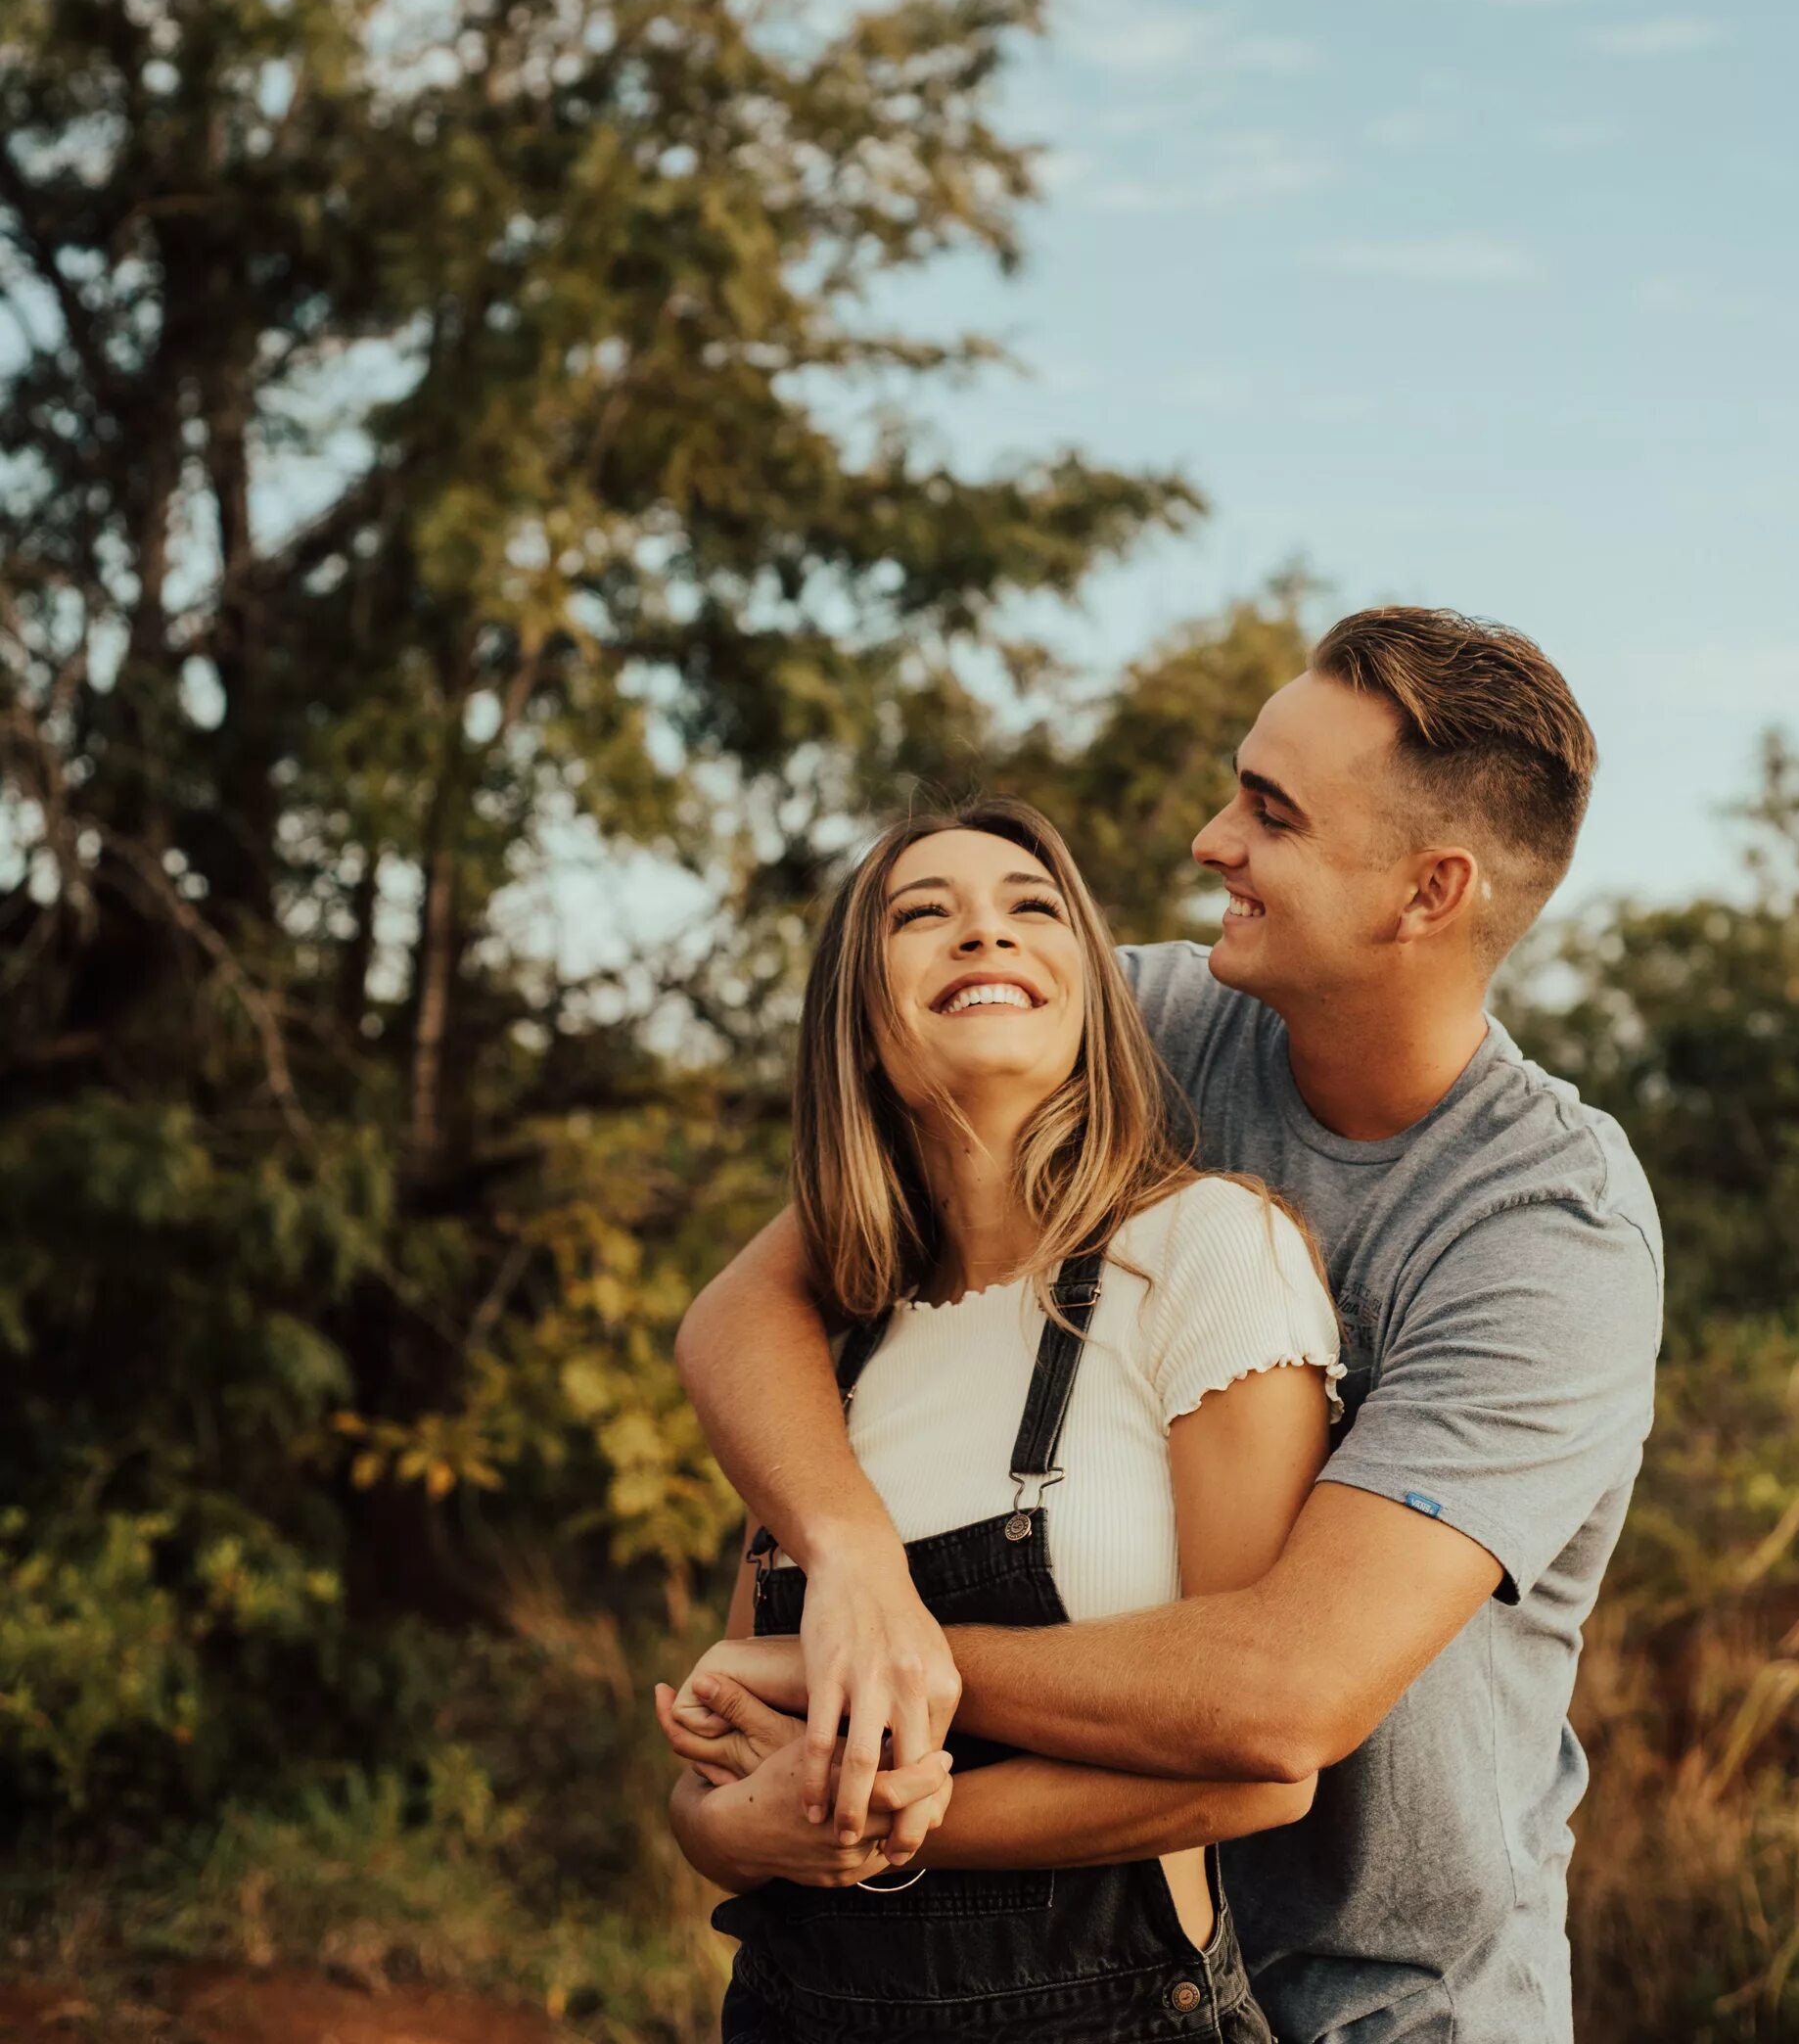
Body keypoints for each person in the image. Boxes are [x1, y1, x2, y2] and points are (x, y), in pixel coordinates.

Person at [673, 608, 1665, 2044]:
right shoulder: (1152, 1018)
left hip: (1382, 2001)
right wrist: (850, 1570)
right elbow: (747, 1301)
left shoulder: (1544, 1234)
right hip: (1095, 1925)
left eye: (1268, 814)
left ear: (1423, 891)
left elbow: (1281, 1700)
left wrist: (868, 1699)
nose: (1210, 842)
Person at [660, 795, 1346, 2043]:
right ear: (859, 1024)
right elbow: (718, 1789)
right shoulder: (826, 1352)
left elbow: (1261, 1768)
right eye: (924, 917)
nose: (985, 935)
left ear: (1089, 994)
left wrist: (861, 1826)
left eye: (1032, 910)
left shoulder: (1202, 1254)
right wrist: (718, 1828)